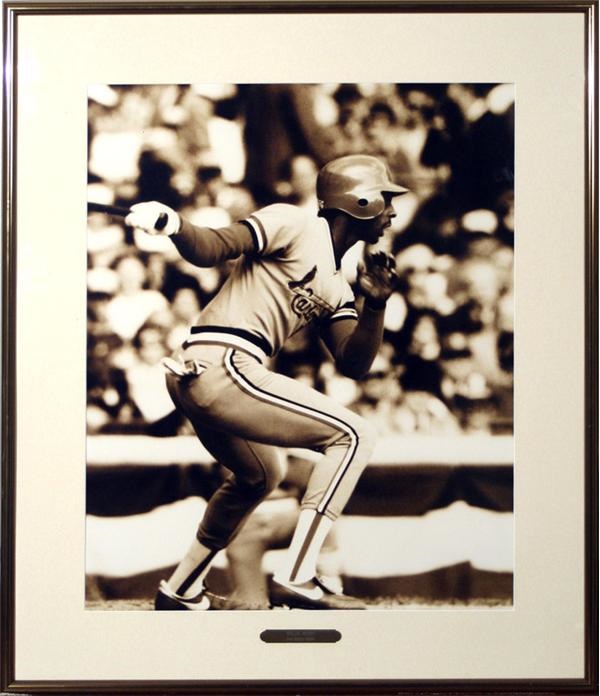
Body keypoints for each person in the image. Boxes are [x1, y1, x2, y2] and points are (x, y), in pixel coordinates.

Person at [124, 154, 408, 610]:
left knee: (262, 474)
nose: (392, 212)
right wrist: (175, 223)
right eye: (386, 199)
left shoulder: (338, 282)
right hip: (222, 362)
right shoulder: (295, 222)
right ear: (359, 200)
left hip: (207, 373)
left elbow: (354, 363)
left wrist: (374, 305)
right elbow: (214, 246)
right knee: (356, 435)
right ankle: (298, 576)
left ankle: (180, 590)